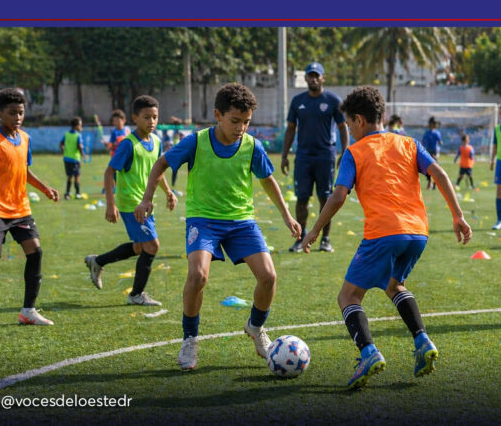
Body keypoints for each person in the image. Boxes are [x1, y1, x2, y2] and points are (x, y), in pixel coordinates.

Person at [301, 86, 472, 389]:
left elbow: (338, 195)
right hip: (417, 233)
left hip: (384, 233)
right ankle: (423, 341)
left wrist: (314, 230)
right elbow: (440, 174)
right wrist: (458, 215)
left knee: (348, 296)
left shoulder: (355, 152)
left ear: (359, 120)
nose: (350, 131)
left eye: (349, 124)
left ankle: (368, 353)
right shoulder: (409, 142)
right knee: (394, 285)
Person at [134, 83, 301, 370]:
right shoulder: (196, 142)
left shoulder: (252, 145)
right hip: (204, 219)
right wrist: (148, 198)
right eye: (235, 121)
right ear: (218, 115)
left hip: (241, 221)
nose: (241, 128)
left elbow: (268, 180)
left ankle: (255, 327)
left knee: (268, 277)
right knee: (198, 275)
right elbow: (160, 165)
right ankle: (190, 339)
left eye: (246, 122)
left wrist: (287, 216)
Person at [0, 88, 59, 324]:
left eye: (21, 113)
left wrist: (45, 189)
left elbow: (25, 171)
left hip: (20, 208)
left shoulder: (25, 138)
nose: (17, 117)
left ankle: (28, 311)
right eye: (12, 113)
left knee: (35, 252)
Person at [85, 96, 177, 306]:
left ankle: (98, 261)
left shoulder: (156, 142)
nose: (151, 121)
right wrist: (111, 205)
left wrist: (168, 192)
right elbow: (109, 172)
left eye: (155, 117)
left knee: (140, 247)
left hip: (146, 203)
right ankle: (136, 294)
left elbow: (157, 172)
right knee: (152, 246)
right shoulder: (128, 144)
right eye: (146, 117)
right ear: (135, 118)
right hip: (131, 203)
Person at [281, 62, 348, 253]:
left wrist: (345, 152)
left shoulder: (333, 101)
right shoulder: (297, 101)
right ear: (306, 78)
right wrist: (284, 155)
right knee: (302, 198)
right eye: (310, 75)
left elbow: (343, 127)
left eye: (317, 75)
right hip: (303, 157)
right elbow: (291, 129)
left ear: (323, 78)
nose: (314, 79)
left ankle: (325, 239)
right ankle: (300, 238)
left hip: (325, 156)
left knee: (325, 198)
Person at [59, 116, 87, 200]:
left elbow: (61, 144)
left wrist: (64, 151)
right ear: (77, 126)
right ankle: (77, 193)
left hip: (66, 159)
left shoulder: (66, 134)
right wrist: (83, 155)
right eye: (80, 125)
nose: (81, 127)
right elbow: (79, 146)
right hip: (75, 159)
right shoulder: (78, 135)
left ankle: (67, 193)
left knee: (70, 176)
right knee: (77, 176)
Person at [421, 117, 442, 189]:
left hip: (432, 151)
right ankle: (431, 183)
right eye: (435, 124)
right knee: (434, 167)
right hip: (432, 151)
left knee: (431, 167)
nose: (436, 125)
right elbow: (440, 141)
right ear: (431, 124)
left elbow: (423, 142)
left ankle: (431, 183)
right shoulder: (434, 133)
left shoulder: (430, 133)